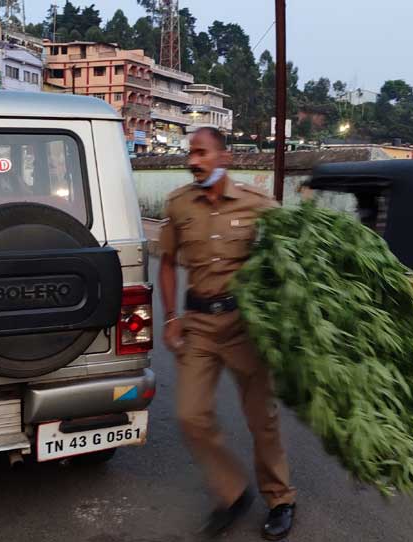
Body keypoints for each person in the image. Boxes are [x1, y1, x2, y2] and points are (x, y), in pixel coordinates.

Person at [159, 127, 296, 540]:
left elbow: (290, 251)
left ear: (224, 158)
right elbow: (166, 262)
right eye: (190, 154)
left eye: (201, 153)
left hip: (244, 327)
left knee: (262, 420)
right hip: (199, 325)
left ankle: (281, 498)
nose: (193, 161)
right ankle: (233, 491)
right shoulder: (179, 204)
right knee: (190, 415)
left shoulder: (258, 205)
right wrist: (170, 317)